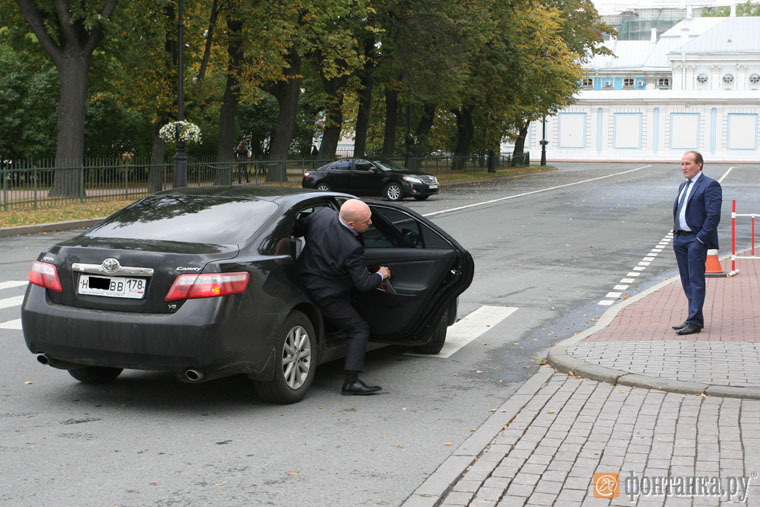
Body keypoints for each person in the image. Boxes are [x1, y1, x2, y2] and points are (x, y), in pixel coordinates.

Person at [296, 199, 391, 395]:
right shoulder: (351, 247)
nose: (371, 223)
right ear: (351, 224)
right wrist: (381, 274)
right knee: (359, 328)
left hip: (301, 282)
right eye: (367, 221)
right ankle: (351, 382)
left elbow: (297, 228)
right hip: (327, 295)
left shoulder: (321, 215)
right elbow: (364, 284)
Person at [672, 151, 722, 335]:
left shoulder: (710, 185)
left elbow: (713, 216)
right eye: (682, 164)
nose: (683, 167)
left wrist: (700, 239)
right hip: (680, 239)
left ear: (699, 164)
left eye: (688, 164)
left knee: (696, 281)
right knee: (686, 281)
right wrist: (676, 234)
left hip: (695, 240)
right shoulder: (683, 186)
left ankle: (694, 321)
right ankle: (694, 318)